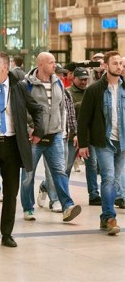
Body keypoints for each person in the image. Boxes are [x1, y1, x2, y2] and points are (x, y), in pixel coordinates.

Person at [0, 52, 44, 248]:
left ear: (5, 67)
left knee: (11, 192)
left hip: (13, 145)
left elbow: (37, 109)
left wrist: (38, 130)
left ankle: (7, 233)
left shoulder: (19, 88)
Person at [20, 52, 82, 222]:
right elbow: (20, 110)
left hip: (55, 136)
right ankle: (28, 208)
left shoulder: (58, 83)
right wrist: (29, 129)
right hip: (34, 138)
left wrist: (62, 130)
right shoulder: (27, 84)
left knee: (59, 172)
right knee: (28, 175)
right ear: (40, 64)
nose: (54, 65)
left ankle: (67, 206)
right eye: (50, 62)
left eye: (55, 62)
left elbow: (62, 108)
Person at [78, 51, 124, 235]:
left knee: (115, 182)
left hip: (122, 142)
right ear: (105, 65)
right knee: (108, 179)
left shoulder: (124, 88)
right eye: (115, 63)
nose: (119, 67)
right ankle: (110, 216)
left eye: (121, 63)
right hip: (103, 141)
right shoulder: (94, 90)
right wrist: (82, 144)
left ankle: (105, 218)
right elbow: (84, 119)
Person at [67, 67, 100, 205]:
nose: (84, 82)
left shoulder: (90, 91)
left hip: (88, 136)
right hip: (72, 136)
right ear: (74, 78)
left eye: (86, 79)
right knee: (66, 167)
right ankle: (48, 186)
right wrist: (85, 104)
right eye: (81, 79)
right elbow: (68, 111)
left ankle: (93, 194)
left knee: (91, 165)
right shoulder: (67, 92)